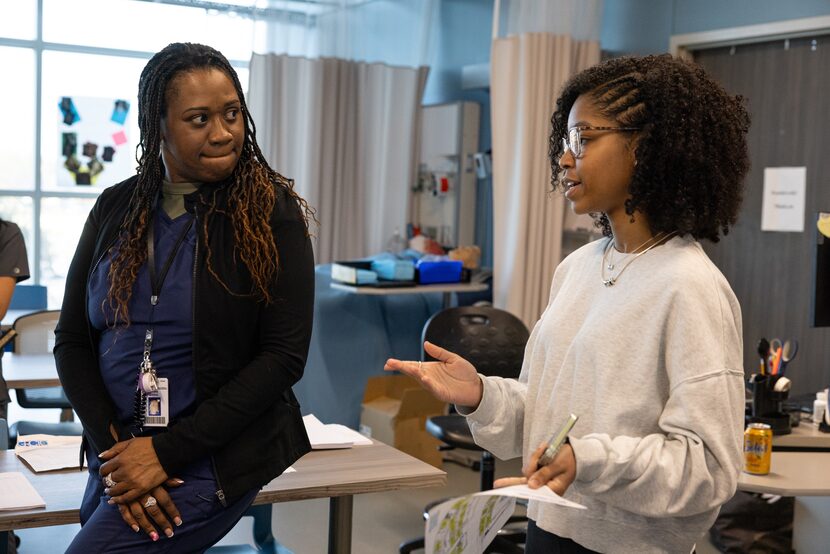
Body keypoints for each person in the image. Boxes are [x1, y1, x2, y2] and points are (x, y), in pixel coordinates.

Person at [386, 54, 750, 553]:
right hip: (550, 529)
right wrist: (481, 395)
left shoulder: (690, 286)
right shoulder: (579, 268)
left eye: (584, 139)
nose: (564, 158)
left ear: (645, 146)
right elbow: (544, 418)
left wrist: (589, 460)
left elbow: (708, 466)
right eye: (566, 141)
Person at [54, 42, 315, 552]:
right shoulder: (116, 207)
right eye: (199, 118)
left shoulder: (270, 212)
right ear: (157, 127)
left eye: (232, 113)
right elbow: (72, 340)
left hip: (211, 455)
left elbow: (283, 358)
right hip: (119, 449)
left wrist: (164, 455)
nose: (223, 132)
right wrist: (119, 453)